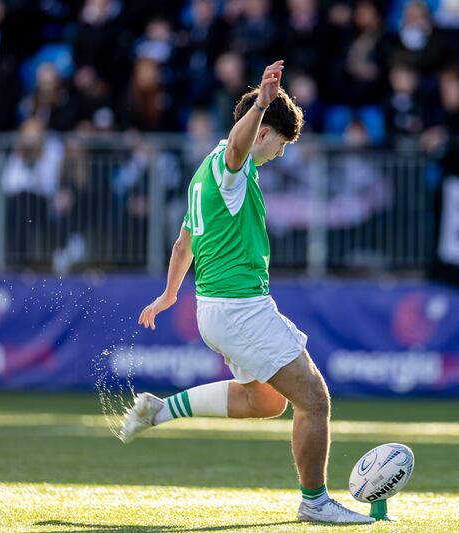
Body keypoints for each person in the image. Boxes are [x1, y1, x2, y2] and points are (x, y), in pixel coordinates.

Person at [119, 60, 374, 525]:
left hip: (215, 310)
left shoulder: (203, 175)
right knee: (314, 399)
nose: (280, 154)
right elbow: (239, 147)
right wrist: (262, 102)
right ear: (261, 132)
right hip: (239, 309)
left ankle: (159, 410)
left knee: (269, 401)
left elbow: (183, 243)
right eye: (279, 143)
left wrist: (169, 295)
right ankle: (315, 501)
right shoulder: (228, 167)